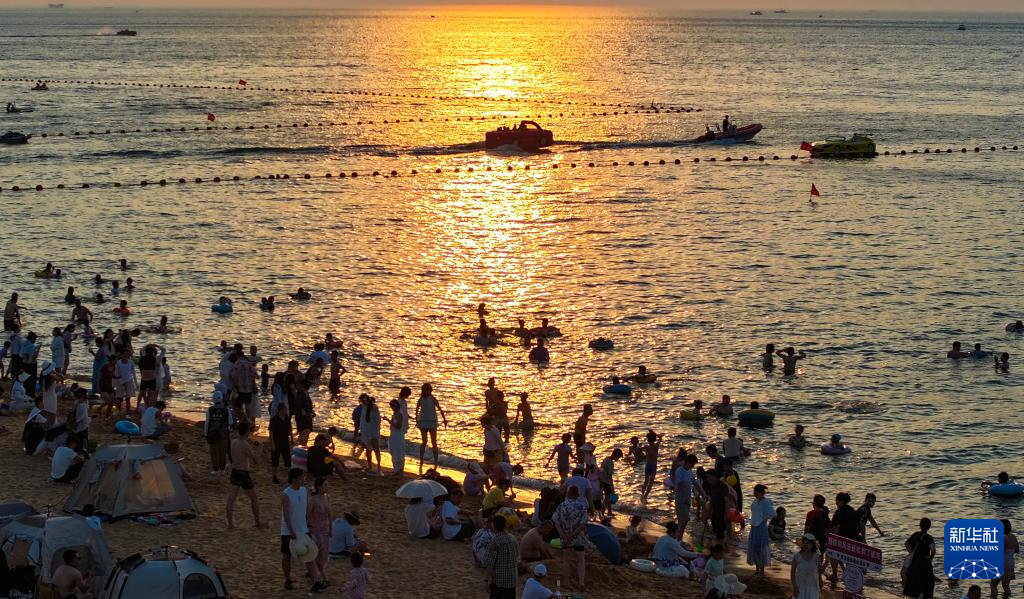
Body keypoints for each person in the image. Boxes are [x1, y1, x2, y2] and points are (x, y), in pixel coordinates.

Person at [280, 468, 326, 592]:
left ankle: (316, 582)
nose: (303, 480)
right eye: (300, 478)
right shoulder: (287, 494)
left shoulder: (304, 490)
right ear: (294, 479)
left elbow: (306, 508)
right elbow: (286, 515)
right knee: (287, 556)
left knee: (309, 554)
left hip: (303, 528)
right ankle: (287, 579)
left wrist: (309, 523)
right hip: (288, 531)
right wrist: (291, 531)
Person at [553, 486, 589, 592]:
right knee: (580, 560)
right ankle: (581, 583)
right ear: (577, 495)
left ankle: (566, 582)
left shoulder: (562, 506)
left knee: (567, 560)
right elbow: (583, 524)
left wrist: (563, 535)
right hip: (577, 537)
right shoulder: (581, 507)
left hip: (565, 536)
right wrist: (573, 534)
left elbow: (556, 521)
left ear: (568, 494)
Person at [482, 515, 518, 599]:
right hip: (512, 579)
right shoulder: (513, 538)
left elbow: (490, 563)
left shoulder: (494, 541)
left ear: (493, 525)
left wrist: (486, 580)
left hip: (499, 580)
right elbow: (516, 555)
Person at [415, 383, 447, 473]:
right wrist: (444, 419)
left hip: (423, 422)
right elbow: (440, 409)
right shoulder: (432, 399)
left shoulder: (421, 399)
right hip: (431, 422)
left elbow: (416, 410)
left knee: (424, 442)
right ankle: (435, 462)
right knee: (434, 443)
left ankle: (421, 460)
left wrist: (416, 420)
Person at [902, 518, 935, 599]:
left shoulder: (916, 534)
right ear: (929, 527)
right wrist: (930, 559)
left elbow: (906, 544)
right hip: (925, 562)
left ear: (920, 525)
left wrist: (912, 553)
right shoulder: (929, 537)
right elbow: (933, 550)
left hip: (915, 562)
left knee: (915, 581)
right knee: (926, 582)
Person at [829, 492, 859, 582]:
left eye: (836, 501)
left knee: (833, 554)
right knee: (849, 560)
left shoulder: (839, 512)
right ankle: (850, 577)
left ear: (840, 501)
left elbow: (834, 527)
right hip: (853, 539)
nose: (836, 503)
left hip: (841, 539)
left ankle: (835, 575)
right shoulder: (852, 510)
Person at [747, 484, 776, 575]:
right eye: (754, 493)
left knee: (761, 548)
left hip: (761, 528)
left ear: (762, 493)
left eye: (757, 493)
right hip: (754, 528)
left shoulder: (766, 502)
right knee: (755, 548)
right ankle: (757, 569)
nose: (755, 494)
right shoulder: (755, 501)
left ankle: (762, 570)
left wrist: (764, 518)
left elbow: (773, 514)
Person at [308, 478, 332, 577]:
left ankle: (317, 571)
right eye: (325, 485)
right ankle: (322, 575)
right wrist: (310, 529)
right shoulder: (312, 500)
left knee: (324, 553)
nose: (327, 487)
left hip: (325, 529)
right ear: (319, 487)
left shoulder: (327, 498)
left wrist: (331, 527)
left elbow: (330, 514)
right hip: (315, 530)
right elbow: (308, 516)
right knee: (316, 553)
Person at [205, 391, 233, 472]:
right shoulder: (226, 409)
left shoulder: (210, 410)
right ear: (221, 399)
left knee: (214, 451)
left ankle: (215, 468)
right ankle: (222, 468)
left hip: (212, 433)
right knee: (223, 451)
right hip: (224, 434)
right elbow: (230, 422)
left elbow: (207, 422)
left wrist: (206, 433)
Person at [991, 519, 1018, 598]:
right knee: (1006, 585)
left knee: (993, 584)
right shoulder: (1013, 537)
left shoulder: (1002, 537)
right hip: (1010, 564)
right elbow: (1017, 550)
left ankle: (993, 597)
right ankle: (1007, 597)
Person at [674, 454, 700, 534]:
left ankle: (678, 537)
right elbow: (680, 484)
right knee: (685, 519)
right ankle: (677, 537)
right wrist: (684, 496)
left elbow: (695, 483)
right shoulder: (679, 471)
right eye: (692, 464)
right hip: (680, 500)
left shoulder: (690, 472)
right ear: (687, 462)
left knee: (683, 522)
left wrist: (703, 493)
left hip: (687, 500)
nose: (693, 466)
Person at [792, 533, 822, 599]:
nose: (806, 545)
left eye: (808, 543)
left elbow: (819, 572)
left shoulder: (816, 557)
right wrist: (794, 587)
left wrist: (827, 561)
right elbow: (792, 573)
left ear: (812, 545)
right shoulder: (797, 556)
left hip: (813, 586)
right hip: (800, 586)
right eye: (804, 543)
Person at [268, 402, 292, 483]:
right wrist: (272, 443)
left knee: (288, 459)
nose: (286, 410)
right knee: (275, 460)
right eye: (285, 409)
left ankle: (290, 477)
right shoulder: (274, 419)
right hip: (276, 441)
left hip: (285, 441)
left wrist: (291, 439)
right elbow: (271, 432)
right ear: (281, 409)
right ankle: (274, 477)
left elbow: (290, 428)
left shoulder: (287, 418)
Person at [640, 429, 662, 503]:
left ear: (648, 439)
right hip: (653, 466)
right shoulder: (655, 446)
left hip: (647, 465)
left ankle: (642, 495)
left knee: (646, 482)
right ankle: (645, 497)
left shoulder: (646, 447)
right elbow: (660, 438)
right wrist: (653, 433)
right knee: (650, 483)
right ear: (654, 439)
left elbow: (639, 450)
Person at [599, 448, 622, 516]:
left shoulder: (606, 459)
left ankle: (609, 511)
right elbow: (610, 475)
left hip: (601, 480)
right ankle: (602, 512)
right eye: (618, 457)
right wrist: (612, 485)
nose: (618, 459)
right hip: (606, 482)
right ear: (615, 455)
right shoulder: (610, 463)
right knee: (607, 498)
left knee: (608, 498)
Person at [385, 398, 405, 475]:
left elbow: (398, 426)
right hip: (393, 434)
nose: (392, 408)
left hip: (398, 435)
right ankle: (396, 469)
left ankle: (399, 469)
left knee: (398, 451)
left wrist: (388, 420)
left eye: (393, 406)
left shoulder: (399, 414)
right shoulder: (395, 413)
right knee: (393, 450)